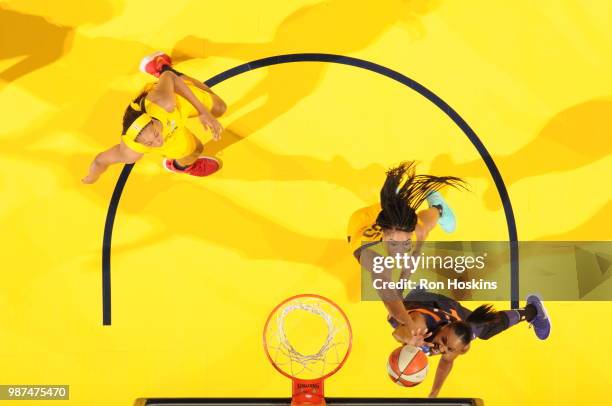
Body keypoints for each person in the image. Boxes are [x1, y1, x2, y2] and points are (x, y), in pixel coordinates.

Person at [347, 161, 466, 331]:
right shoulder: (373, 258)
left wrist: (401, 289)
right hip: (361, 224)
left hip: (395, 222)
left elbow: (411, 261)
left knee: (424, 224)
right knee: (394, 210)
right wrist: (409, 324)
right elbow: (388, 296)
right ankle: (395, 199)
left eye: (405, 242)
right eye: (394, 243)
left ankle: (438, 207)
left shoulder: (416, 231)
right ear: (384, 234)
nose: (399, 250)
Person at [82, 52, 227, 183]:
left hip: (178, 103)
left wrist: (203, 112)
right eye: (150, 144)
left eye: (156, 135)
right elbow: (99, 161)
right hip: (174, 131)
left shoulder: (163, 102)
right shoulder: (131, 151)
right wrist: (91, 177)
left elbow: (170, 78)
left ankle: (160, 67)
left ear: (152, 119)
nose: (158, 142)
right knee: (195, 150)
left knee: (220, 108)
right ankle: (178, 166)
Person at [391, 290, 551, 398]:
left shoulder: (453, 343)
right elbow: (397, 333)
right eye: (444, 341)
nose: (443, 348)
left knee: (485, 330)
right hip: (422, 304)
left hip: (447, 311)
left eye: (450, 349)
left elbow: (446, 362)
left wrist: (434, 392)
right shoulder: (420, 326)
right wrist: (410, 340)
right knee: (394, 317)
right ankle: (419, 292)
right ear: (446, 327)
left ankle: (533, 310)